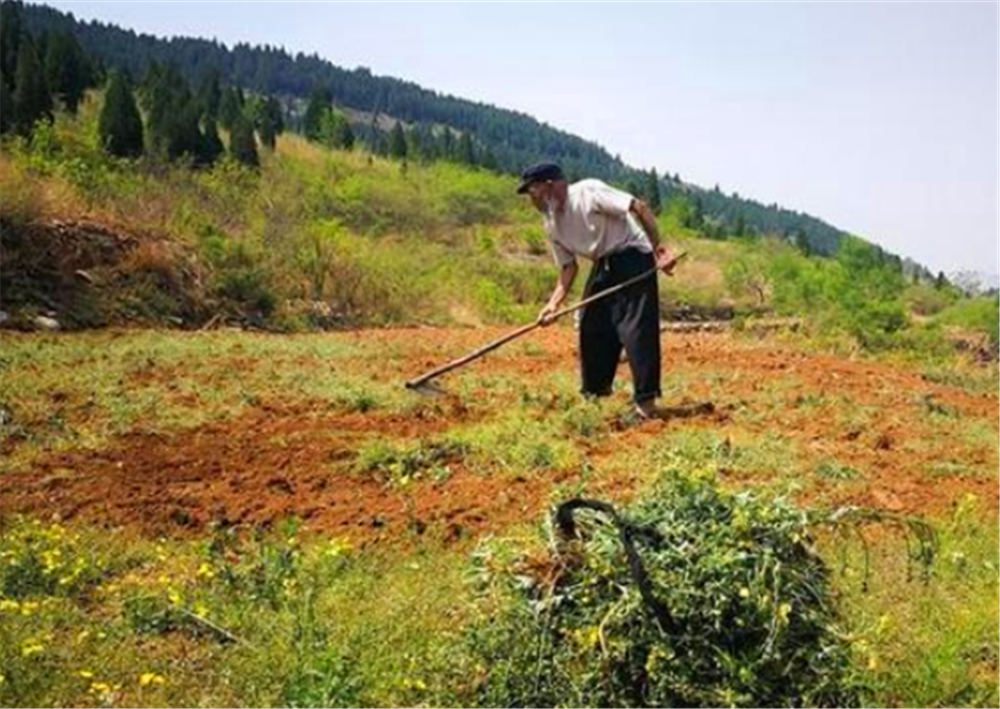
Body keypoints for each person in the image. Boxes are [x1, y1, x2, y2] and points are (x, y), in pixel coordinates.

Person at [517, 162, 677, 419]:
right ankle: (594, 395)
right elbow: (568, 268)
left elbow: (639, 207)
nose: (531, 199)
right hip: (603, 262)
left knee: (635, 327)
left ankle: (646, 404)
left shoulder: (588, 192)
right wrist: (553, 305)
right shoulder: (551, 224)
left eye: (533, 191)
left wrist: (659, 249)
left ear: (550, 186)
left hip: (633, 254)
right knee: (592, 324)